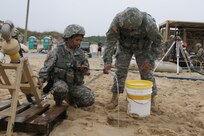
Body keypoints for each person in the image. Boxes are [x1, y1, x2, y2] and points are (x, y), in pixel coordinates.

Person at [103, 7, 163, 109]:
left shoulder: (149, 23)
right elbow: (110, 42)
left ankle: (151, 99)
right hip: (124, 47)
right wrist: (107, 62)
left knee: (146, 72)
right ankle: (115, 98)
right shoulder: (117, 20)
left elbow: (158, 43)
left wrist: (150, 61)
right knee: (120, 72)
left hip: (143, 48)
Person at [37, 24, 95, 107]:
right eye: (76, 40)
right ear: (68, 38)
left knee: (89, 99)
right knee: (61, 89)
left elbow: (86, 68)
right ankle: (59, 103)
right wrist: (41, 79)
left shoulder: (80, 53)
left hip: (74, 85)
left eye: (80, 40)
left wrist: (84, 69)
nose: (79, 42)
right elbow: (47, 68)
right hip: (59, 83)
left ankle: (70, 100)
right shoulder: (57, 51)